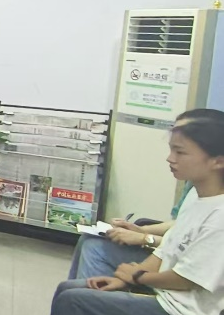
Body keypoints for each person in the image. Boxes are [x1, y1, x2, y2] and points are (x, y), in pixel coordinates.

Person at [36, 119, 224, 315]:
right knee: (68, 290)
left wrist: (138, 277)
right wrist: (125, 279)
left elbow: (186, 279)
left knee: (76, 304)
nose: (170, 158)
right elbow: (166, 250)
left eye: (180, 152)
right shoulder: (198, 198)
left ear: (218, 161)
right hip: (174, 302)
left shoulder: (220, 216)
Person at [68, 108, 224, 279]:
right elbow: (181, 227)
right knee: (89, 241)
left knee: (95, 249)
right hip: (168, 258)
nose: (170, 158)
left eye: (180, 151)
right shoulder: (196, 189)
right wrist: (141, 230)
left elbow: (189, 259)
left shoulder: (215, 202)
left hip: (177, 276)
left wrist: (144, 240)